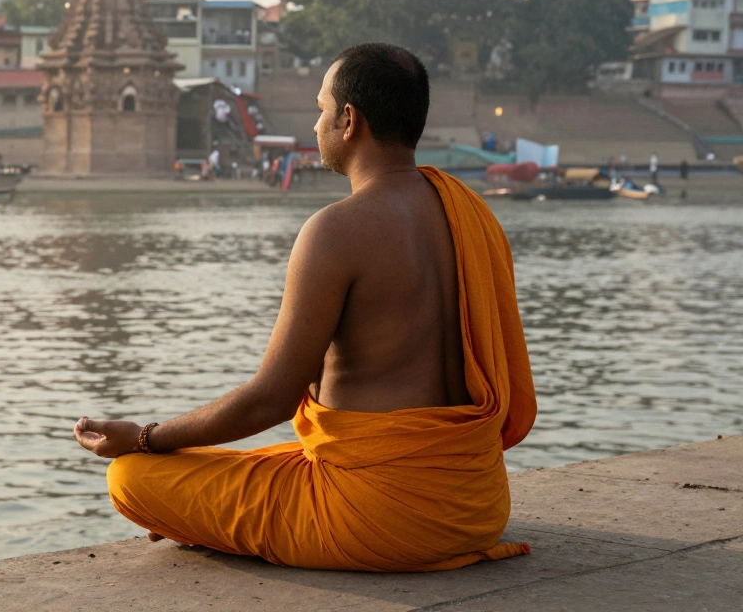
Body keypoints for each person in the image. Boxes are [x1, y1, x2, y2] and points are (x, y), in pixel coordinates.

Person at [75, 43, 536, 573]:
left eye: (321, 110)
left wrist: (143, 437)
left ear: (348, 120)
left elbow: (268, 400)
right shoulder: (473, 214)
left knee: (131, 477)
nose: (316, 125)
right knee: (233, 466)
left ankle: (218, 516)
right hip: (475, 506)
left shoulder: (335, 230)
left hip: (372, 519)